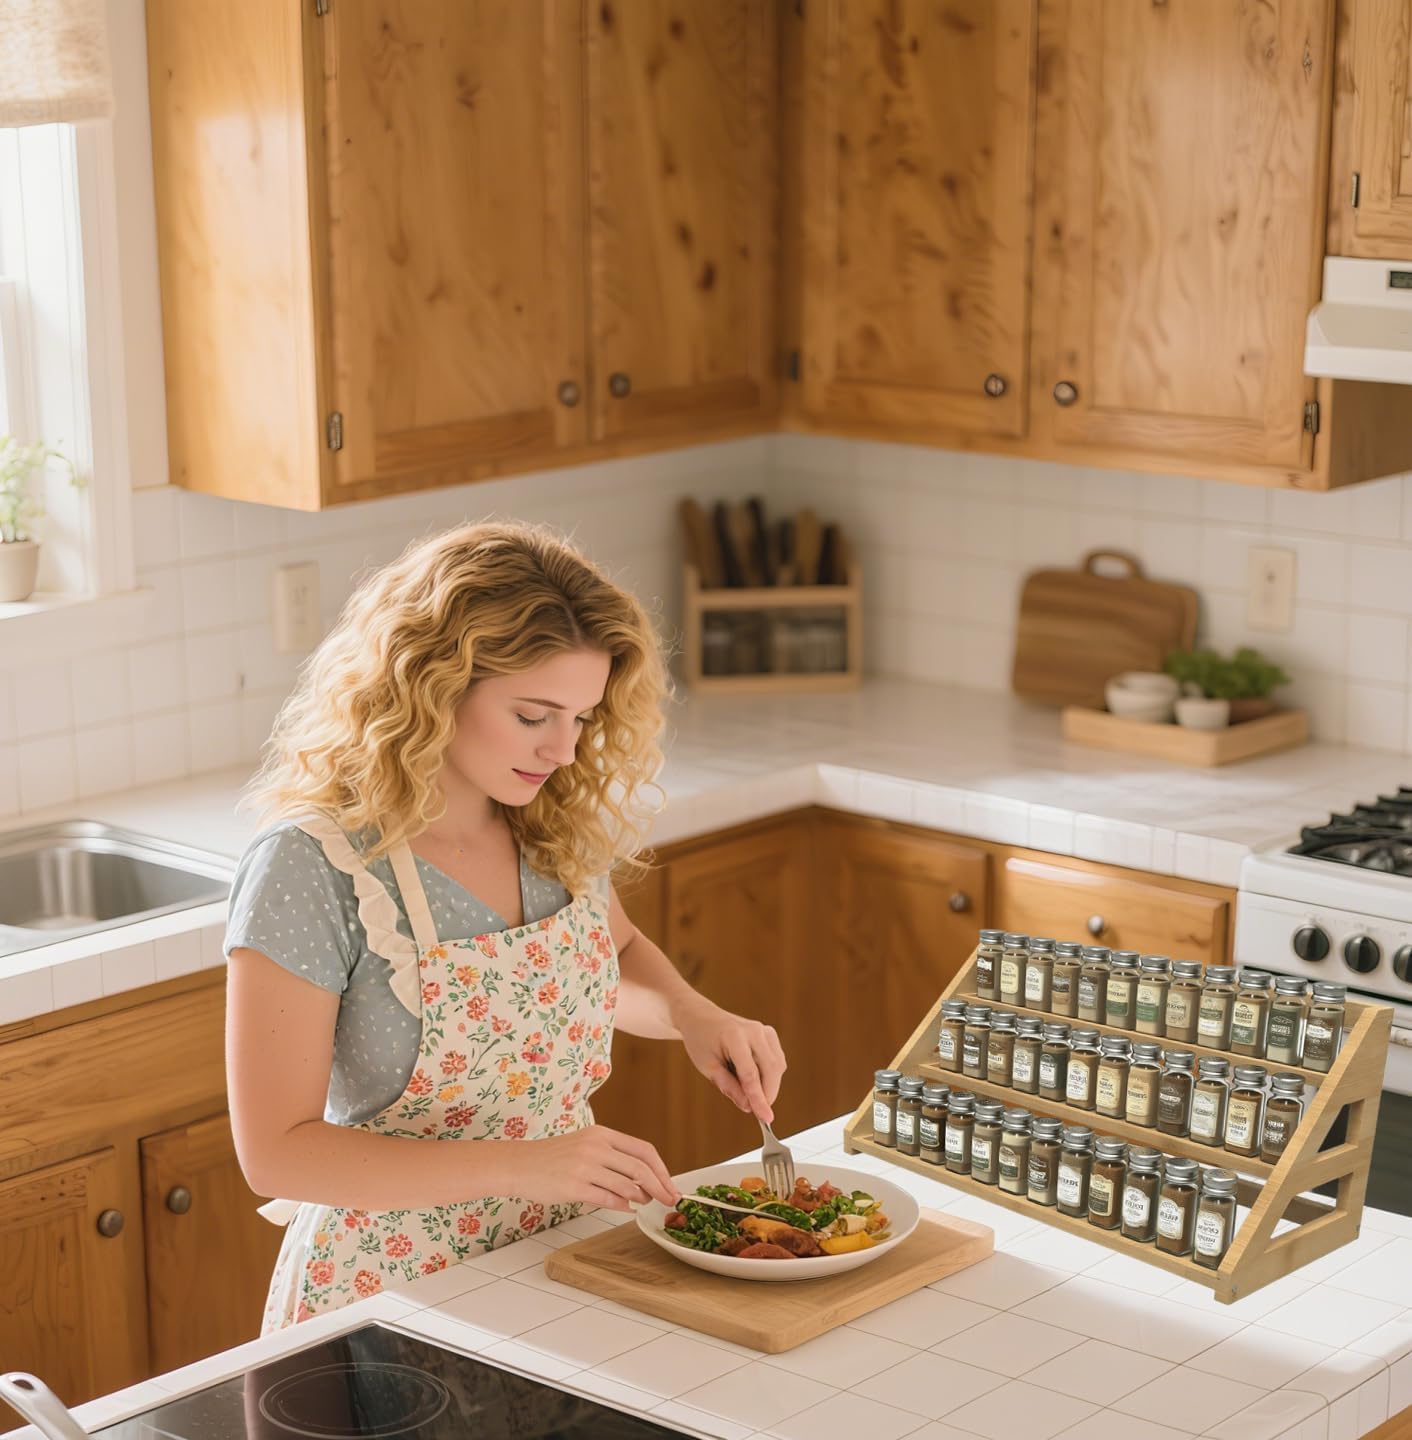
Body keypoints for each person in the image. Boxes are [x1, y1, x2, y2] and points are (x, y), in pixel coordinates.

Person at [224, 520, 787, 1330]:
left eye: (583, 718)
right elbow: (276, 1153)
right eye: (534, 715)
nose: (563, 749)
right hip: (391, 1301)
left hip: (560, 1265)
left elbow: (612, 952)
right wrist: (523, 1166)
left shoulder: (548, 823)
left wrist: (693, 1015)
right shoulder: (315, 866)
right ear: (430, 683)